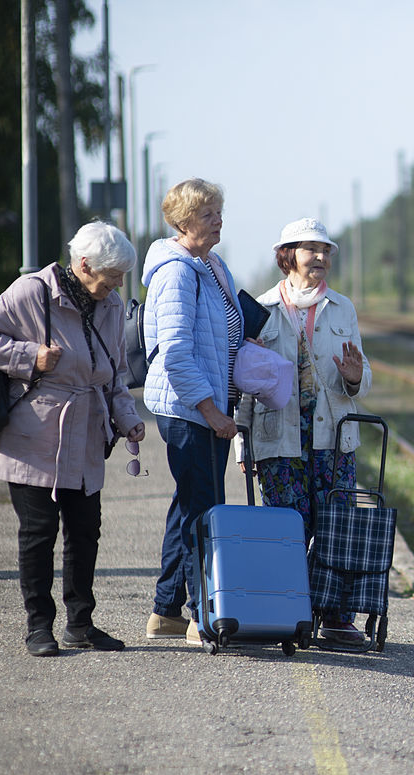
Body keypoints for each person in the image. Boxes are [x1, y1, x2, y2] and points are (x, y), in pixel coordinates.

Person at [0, 222, 145, 656]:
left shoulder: (111, 304)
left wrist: (128, 417)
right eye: (113, 274)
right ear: (83, 265)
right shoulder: (32, 292)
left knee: (85, 530)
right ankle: (38, 627)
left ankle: (81, 623)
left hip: (86, 433)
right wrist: (29, 356)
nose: (118, 284)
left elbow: (114, 373)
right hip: (34, 432)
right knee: (38, 532)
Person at [235, 217, 370, 644]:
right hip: (279, 435)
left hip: (334, 435)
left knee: (336, 522)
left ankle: (336, 616)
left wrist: (353, 377)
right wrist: (243, 445)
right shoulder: (260, 309)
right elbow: (242, 382)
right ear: (288, 255)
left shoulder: (342, 308)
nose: (321, 258)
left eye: (326, 250)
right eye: (313, 249)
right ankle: (290, 611)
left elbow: (363, 376)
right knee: (287, 525)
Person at [142, 178, 246, 645]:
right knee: (203, 511)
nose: (218, 220)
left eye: (219, 212)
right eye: (208, 215)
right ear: (183, 223)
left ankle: (166, 612)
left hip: (207, 405)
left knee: (188, 505)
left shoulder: (211, 263)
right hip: (191, 409)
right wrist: (212, 411)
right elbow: (176, 354)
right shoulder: (177, 272)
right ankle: (201, 614)